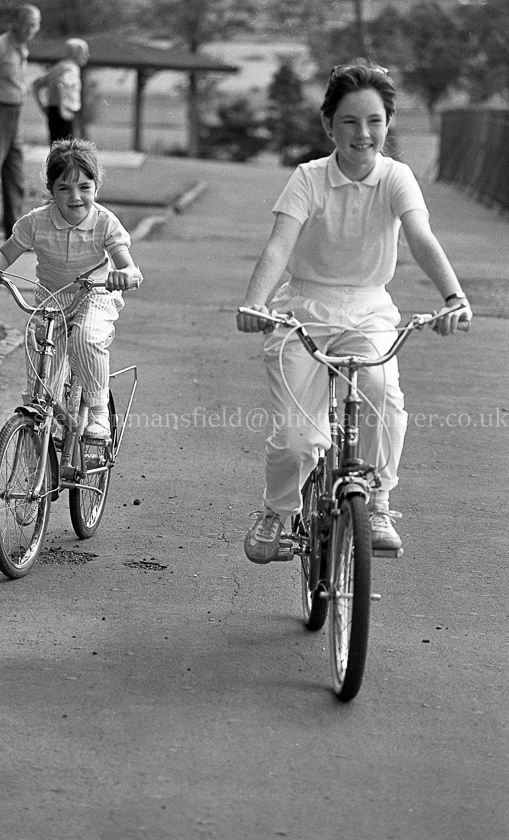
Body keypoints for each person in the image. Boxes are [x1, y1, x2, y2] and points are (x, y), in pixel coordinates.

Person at [237, 60, 472, 564]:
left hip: (369, 310)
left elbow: (420, 237)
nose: (362, 134)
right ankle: (277, 511)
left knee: (383, 396)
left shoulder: (396, 178)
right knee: (300, 440)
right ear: (328, 125)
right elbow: (279, 245)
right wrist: (256, 302)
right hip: (302, 308)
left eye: (374, 121)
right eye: (349, 121)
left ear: (388, 124)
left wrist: (454, 296)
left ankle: (379, 502)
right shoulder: (308, 178)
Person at [0, 137, 143, 439]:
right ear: (50, 191)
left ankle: (99, 412)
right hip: (50, 298)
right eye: (64, 188)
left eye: (84, 188)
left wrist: (124, 274)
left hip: (95, 295)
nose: (75, 197)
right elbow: (6, 254)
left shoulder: (105, 223)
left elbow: (127, 265)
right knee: (39, 359)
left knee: (86, 338)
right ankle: (38, 439)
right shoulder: (35, 223)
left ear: (96, 187)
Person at [0, 4, 41, 238]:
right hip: (1, 111)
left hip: (14, 113)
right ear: (15, 22)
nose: (31, 28)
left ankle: (14, 237)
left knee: (15, 175)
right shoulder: (2, 46)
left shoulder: (21, 49)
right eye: (27, 23)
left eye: (35, 24)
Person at [33, 37, 89, 144]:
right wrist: (63, 109)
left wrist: (42, 106)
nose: (87, 56)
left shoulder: (58, 66)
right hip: (65, 113)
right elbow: (61, 84)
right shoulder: (71, 68)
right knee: (67, 152)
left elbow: (36, 84)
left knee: (56, 149)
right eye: (84, 52)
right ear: (76, 53)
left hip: (53, 111)